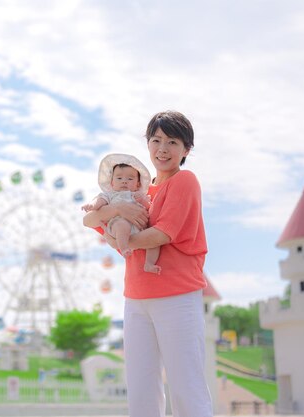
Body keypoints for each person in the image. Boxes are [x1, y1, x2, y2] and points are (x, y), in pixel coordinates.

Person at [83, 110, 212, 417]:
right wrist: (117, 214)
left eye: (172, 142)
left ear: (186, 150)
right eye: (156, 140)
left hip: (177, 296)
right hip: (136, 298)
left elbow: (161, 234)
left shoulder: (185, 181)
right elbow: (93, 220)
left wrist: (119, 232)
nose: (162, 149)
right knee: (140, 389)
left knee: (186, 387)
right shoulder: (139, 189)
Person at [81, 153, 161, 274]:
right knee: (122, 226)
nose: (124, 181)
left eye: (130, 179)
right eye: (119, 178)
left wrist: (144, 201)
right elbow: (100, 201)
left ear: (138, 184)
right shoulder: (110, 195)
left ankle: (149, 263)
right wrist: (92, 205)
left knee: (154, 242)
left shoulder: (140, 195)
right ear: (112, 183)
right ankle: (124, 248)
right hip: (118, 223)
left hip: (141, 229)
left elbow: (150, 209)